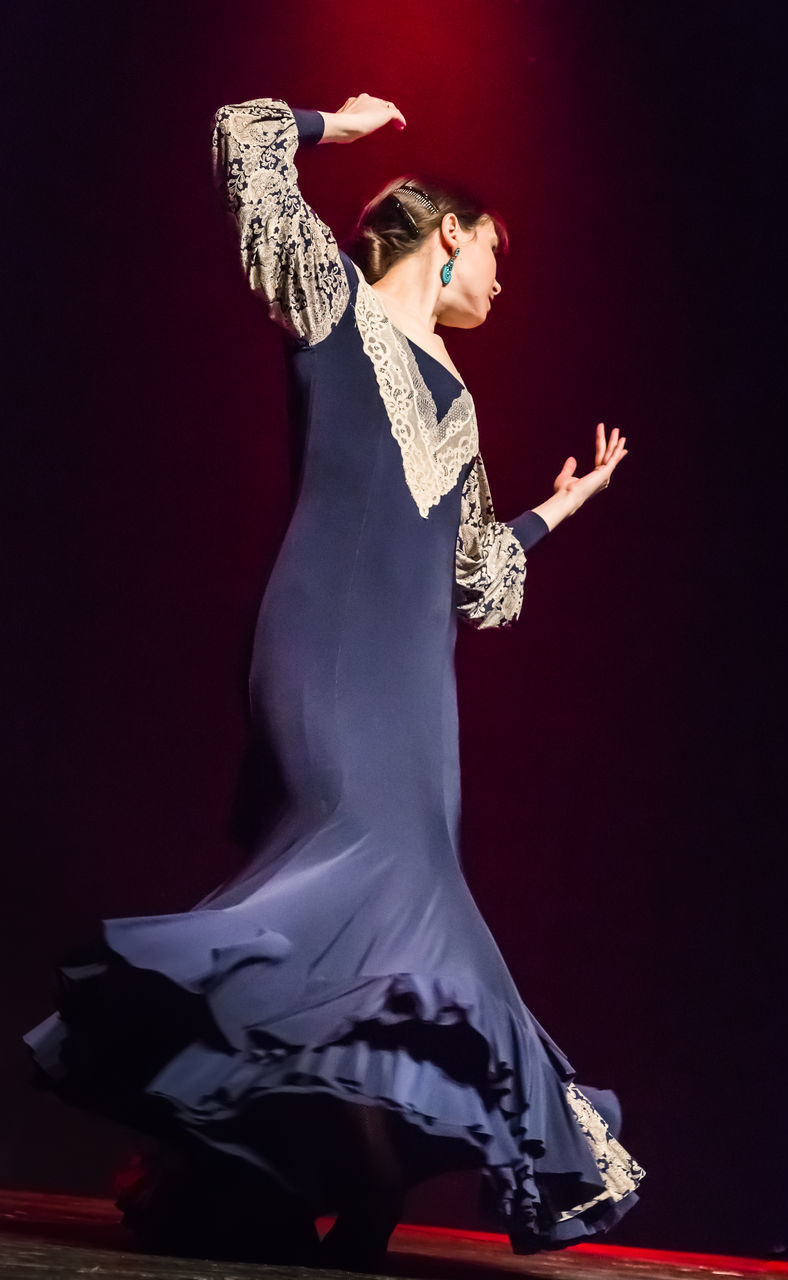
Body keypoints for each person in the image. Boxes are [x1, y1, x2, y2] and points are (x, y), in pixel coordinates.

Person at [23, 93, 643, 1271]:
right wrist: (333, 125)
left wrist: (562, 507)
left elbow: (476, 573)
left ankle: (357, 1188)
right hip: (322, 651)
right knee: (357, 891)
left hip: (420, 684)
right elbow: (236, 140)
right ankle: (331, 1167)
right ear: (447, 233)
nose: (505, 285)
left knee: (405, 917)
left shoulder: (459, 399)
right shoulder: (334, 306)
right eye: (498, 255)